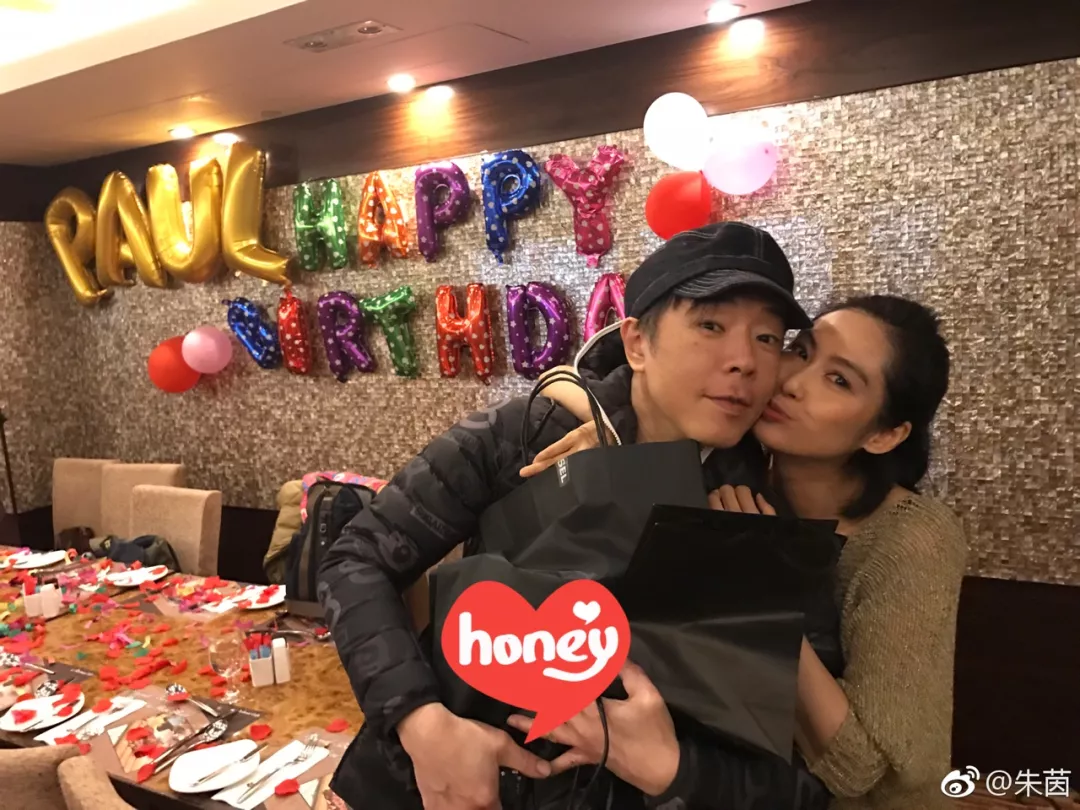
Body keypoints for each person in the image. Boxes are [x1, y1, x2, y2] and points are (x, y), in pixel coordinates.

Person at [318, 222, 839, 810]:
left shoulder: (757, 512)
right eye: (710, 325)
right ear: (637, 343)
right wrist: (419, 722)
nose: (743, 361)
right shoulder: (530, 434)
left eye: (768, 338)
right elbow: (355, 559)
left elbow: (795, 772)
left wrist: (677, 768)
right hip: (429, 784)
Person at [526, 294, 967, 810]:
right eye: (801, 352)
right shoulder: (736, 468)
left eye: (839, 380)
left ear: (885, 434)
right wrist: (607, 432)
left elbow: (860, 771)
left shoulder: (912, 539)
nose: (792, 382)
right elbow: (568, 378)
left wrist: (760, 587)